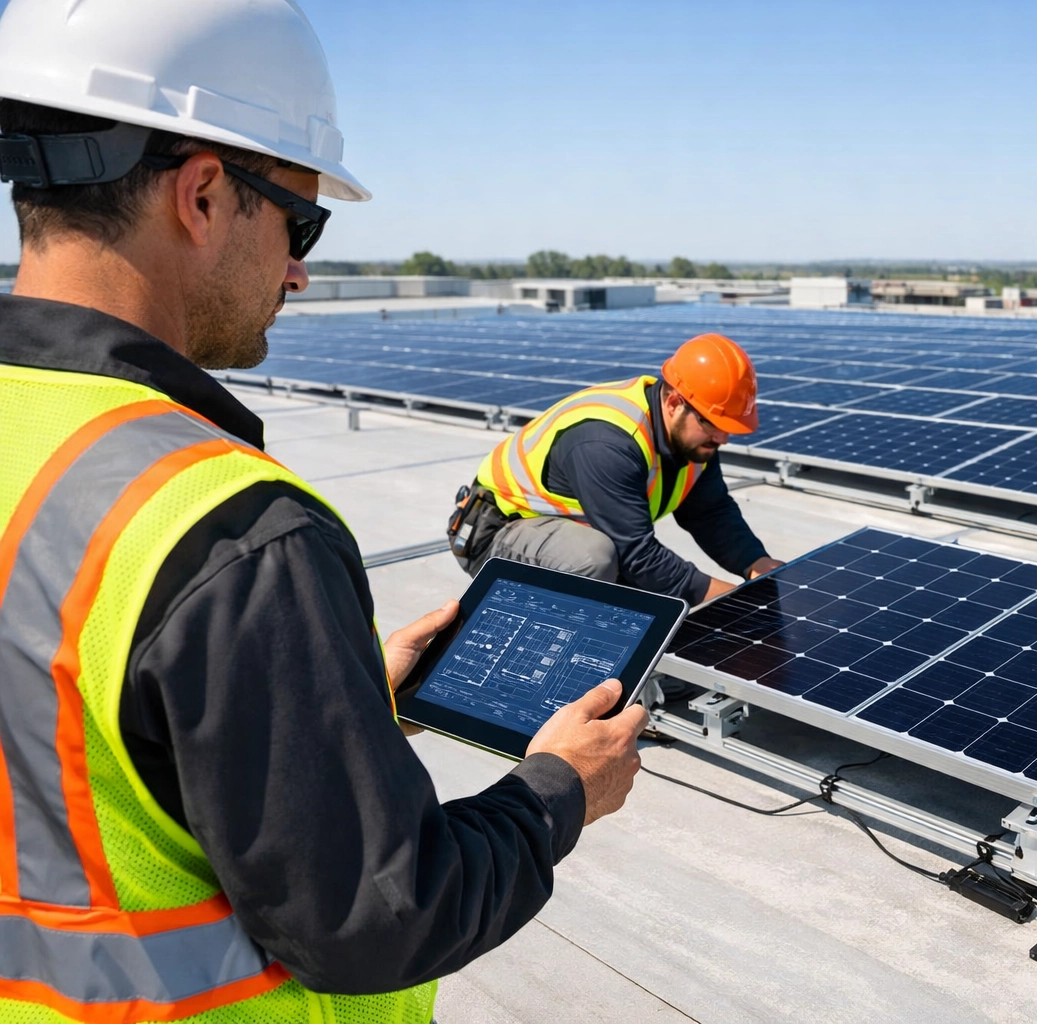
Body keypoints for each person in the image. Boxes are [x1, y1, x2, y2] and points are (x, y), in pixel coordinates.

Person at [0, 1, 646, 1021]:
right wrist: (559, 789)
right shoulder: (230, 530)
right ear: (204, 193)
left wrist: (326, 709)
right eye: (300, 223)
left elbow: (72, 734)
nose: (300, 269)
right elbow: (377, 916)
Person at [453, 332, 785, 603]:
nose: (723, 438)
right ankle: (557, 660)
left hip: (574, 535)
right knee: (594, 559)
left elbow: (710, 512)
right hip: (495, 537)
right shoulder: (608, 441)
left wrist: (755, 564)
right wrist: (732, 604)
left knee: (654, 601)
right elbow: (637, 554)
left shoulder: (693, 439)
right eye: (713, 423)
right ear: (674, 404)